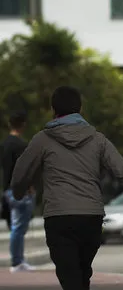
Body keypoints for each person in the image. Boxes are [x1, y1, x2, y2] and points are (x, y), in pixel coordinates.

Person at [10, 86, 123, 290]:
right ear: (79, 109)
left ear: (54, 110)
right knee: (81, 275)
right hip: (91, 219)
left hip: (59, 219)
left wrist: (19, 193)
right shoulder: (98, 140)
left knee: (70, 277)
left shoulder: (42, 140)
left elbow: (20, 173)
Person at [1, 112, 36, 272]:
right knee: (19, 227)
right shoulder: (21, 145)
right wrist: (29, 187)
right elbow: (24, 169)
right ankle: (17, 262)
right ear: (22, 125)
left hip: (7, 189)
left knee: (16, 226)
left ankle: (18, 260)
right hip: (20, 191)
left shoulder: (4, 144)